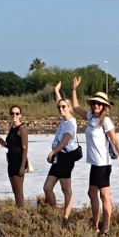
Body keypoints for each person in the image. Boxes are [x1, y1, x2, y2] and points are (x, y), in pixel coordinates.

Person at [71, 77, 119, 237]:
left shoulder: (106, 121)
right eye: (94, 103)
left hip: (103, 164)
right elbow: (76, 108)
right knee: (92, 194)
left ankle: (106, 227)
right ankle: (96, 224)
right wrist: (74, 89)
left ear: (104, 106)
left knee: (104, 195)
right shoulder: (91, 116)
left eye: (100, 104)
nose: (96, 106)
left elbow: (114, 139)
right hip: (94, 164)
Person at [43, 82, 79, 221]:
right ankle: (55, 213)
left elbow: (65, 140)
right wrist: (56, 90)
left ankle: (65, 217)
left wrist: (53, 153)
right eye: (59, 107)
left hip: (65, 158)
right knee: (47, 188)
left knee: (66, 189)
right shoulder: (63, 120)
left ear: (69, 108)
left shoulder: (70, 123)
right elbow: (60, 101)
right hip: (58, 159)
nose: (61, 108)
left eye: (64, 107)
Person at [0, 104, 29, 207]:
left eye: (17, 113)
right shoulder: (12, 127)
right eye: (12, 113)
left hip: (19, 162)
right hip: (11, 162)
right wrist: (4, 144)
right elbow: (13, 146)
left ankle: (21, 215)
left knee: (19, 190)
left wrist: (22, 167)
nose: (14, 115)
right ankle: (18, 211)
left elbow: (25, 149)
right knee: (15, 190)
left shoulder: (22, 129)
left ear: (20, 115)